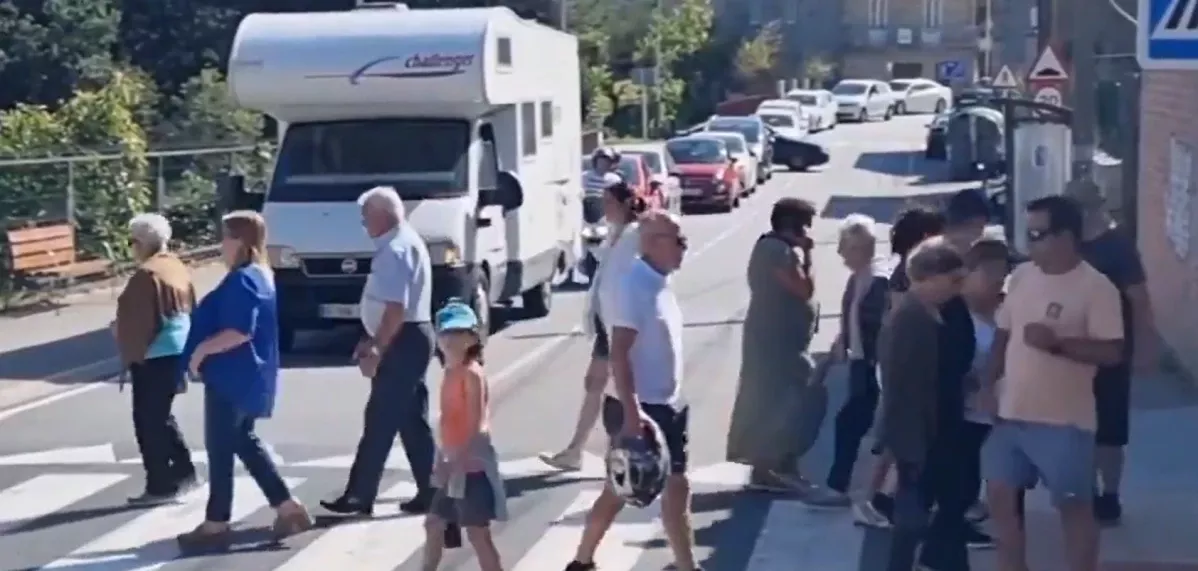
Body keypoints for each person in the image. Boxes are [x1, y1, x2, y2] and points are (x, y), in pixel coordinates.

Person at [978, 196, 1124, 571]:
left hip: (1065, 424)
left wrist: (1058, 343)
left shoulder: (1098, 288)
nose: (1030, 243)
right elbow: (1003, 334)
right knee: (999, 499)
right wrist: (988, 385)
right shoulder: (1022, 276)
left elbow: (1112, 353)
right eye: (1027, 233)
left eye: (1038, 234)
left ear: (1067, 237)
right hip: (1011, 416)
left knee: (1074, 509)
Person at [565, 210, 696, 571]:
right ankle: (582, 560)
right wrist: (632, 413)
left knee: (674, 487)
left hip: (666, 402)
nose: (685, 247)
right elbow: (619, 354)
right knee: (622, 491)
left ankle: (686, 565)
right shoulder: (633, 286)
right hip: (638, 408)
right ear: (654, 244)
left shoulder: (658, 281)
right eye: (678, 241)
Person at [177, 211, 312, 547]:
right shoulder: (259, 275)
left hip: (232, 377)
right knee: (242, 441)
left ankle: (216, 521)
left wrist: (200, 352)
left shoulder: (244, 279)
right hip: (244, 376)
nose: (221, 243)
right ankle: (287, 506)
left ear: (239, 240)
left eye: (224, 236)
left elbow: (239, 331)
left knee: (221, 448)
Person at [323, 185, 438, 516]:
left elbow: (395, 308)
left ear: (381, 216)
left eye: (365, 218)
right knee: (411, 420)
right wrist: (369, 335)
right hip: (409, 336)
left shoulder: (394, 250)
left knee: (380, 419)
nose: (363, 225)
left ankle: (360, 495)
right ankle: (432, 489)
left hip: (403, 338)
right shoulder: (403, 242)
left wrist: (377, 346)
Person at [874, 236, 969, 571]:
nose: (959, 288)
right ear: (928, 277)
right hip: (918, 434)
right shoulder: (909, 318)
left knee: (940, 508)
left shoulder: (934, 311)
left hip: (938, 427)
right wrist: (908, 443)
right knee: (913, 517)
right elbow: (899, 386)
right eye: (953, 280)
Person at [541, 180, 646, 471]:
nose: (605, 208)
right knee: (596, 384)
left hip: (622, 323)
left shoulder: (637, 234)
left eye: (609, 202)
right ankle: (577, 450)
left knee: (619, 390)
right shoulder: (615, 234)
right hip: (606, 323)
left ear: (625, 204)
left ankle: (629, 451)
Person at [1068, 180, 1155, 525]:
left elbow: (1138, 298)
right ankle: (1086, 490)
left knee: (1109, 430)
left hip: (1111, 351)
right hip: (1072, 353)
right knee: (1077, 426)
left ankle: (1109, 495)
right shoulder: (1067, 246)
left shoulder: (1117, 247)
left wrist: (1146, 346)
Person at [854, 206, 946, 528]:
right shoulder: (911, 273)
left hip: (897, 359)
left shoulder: (910, 269)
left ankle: (881, 496)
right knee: (894, 433)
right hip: (900, 362)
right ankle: (869, 498)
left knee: (898, 433)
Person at [727, 198, 820, 493]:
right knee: (779, 401)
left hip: (781, 338)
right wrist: (807, 255)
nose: (808, 233)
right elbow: (803, 288)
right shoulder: (777, 250)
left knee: (780, 398)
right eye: (805, 225)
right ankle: (770, 467)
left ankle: (775, 464)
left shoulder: (775, 249)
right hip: (775, 341)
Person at [114, 213, 199, 504]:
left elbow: (138, 322)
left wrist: (123, 339)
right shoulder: (174, 266)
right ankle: (184, 471)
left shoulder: (146, 275)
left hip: (154, 354)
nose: (131, 248)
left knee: (147, 421)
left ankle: (161, 485)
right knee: (160, 416)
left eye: (132, 242)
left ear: (141, 243)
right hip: (177, 349)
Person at [421, 300, 508, 571]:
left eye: (460, 334)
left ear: (473, 337)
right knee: (434, 523)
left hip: (472, 467)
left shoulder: (471, 373)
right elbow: (448, 421)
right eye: (446, 333)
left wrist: (454, 461)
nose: (452, 340)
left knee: (478, 535)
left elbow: (477, 425)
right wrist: (442, 458)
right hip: (454, 464)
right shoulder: (450, 371)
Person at [810, 214, 888, 507]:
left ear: (862, 246)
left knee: (857, 425)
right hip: (861, 364)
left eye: (846, 246)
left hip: (873, 367)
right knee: (854, 424)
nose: (841, 252)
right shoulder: (858, 279)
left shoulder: (879, 281)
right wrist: (829, 361)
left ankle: (843, 488)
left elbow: (883, 329)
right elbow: (849, 329)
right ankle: (842, 486)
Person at [958, 237, 1012, 550]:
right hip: (965, 406)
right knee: (963, 465)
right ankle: (956, 524)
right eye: (990, 274)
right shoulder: (960, 313)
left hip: (995, 408)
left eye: (1002, 275)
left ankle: (966, 513)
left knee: (976, 464)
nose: (997, 282)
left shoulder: (1005, 309)